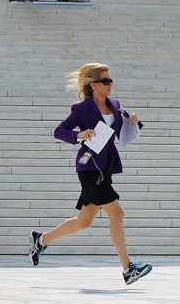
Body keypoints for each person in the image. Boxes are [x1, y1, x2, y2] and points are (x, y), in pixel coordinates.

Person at [27, 62, 152, 285]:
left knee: (84, 222)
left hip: (105, 167)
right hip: (89, 168)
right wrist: (79, 134)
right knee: (118, 214)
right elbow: (59, 131)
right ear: (93, 84)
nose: (110, 85)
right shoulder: (81, 108)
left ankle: (41, 240)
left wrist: (133, 121)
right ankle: (128, 269)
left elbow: (120, 132)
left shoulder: (115, 104)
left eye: (111, 80)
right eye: (105, 81)